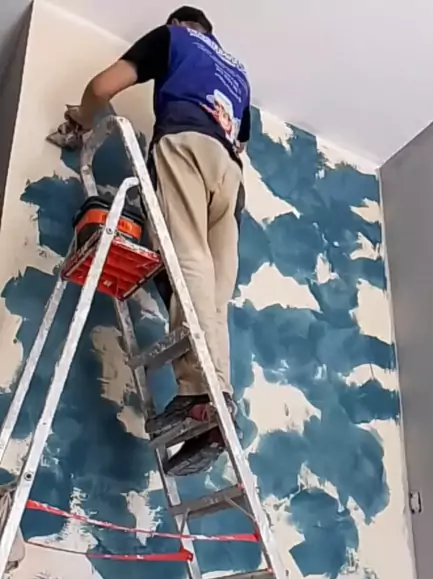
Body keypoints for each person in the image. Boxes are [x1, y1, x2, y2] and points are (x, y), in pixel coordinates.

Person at [66, 6, 251, 476]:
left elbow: (102, 87)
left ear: (178, 25)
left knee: (187, 263)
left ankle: (196, 397)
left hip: (186, 144)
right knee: (215, 294)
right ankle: (216, 406)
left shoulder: (174, 39)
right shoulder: (238, 74)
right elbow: (239, 143)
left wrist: (81, 120)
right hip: (231, 178)